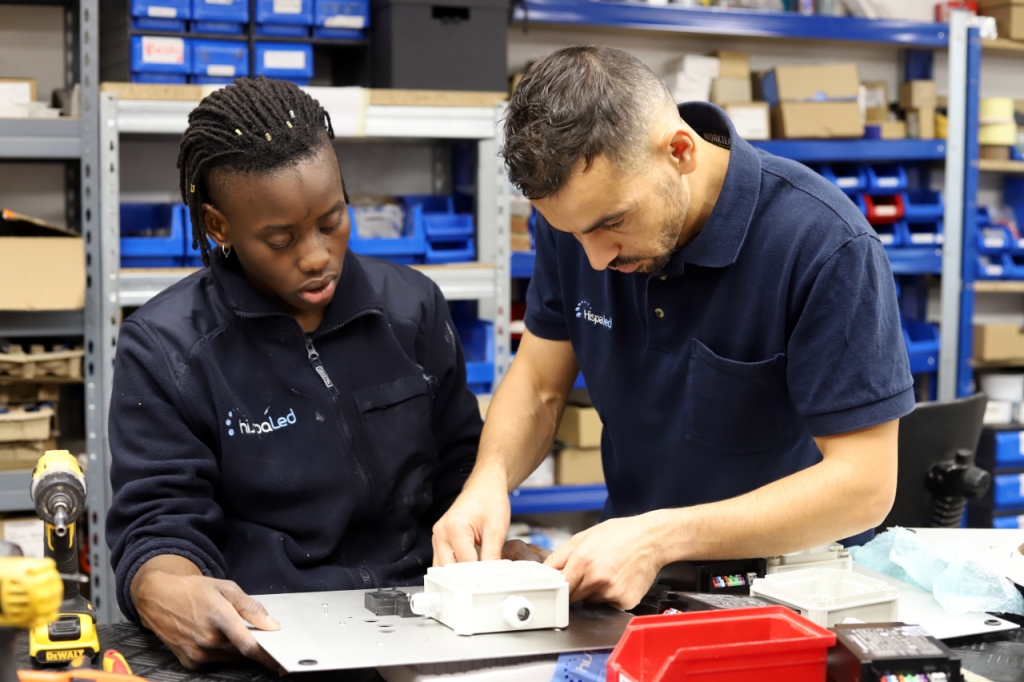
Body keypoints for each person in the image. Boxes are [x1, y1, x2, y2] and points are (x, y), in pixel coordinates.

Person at [432, 46, 913, 609]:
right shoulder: (582, 221)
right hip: (633, 578)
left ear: (680, 151)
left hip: (789, 590)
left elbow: (865, 486)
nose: (594, 261)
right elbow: (540, 380)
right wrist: (488, 480)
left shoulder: (824, 244)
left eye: (612, 224)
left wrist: (660, 537)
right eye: (572, 233)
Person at [106, 77, 483, 670]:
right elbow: (160, 524)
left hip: (428, 620)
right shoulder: (166, 348)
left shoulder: (413, 308)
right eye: (280, 239)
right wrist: (166, 586)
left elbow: (465, 471)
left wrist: (495, 550)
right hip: (270, 635)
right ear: (218, 226)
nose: (315, 255)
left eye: (331, 220)